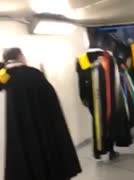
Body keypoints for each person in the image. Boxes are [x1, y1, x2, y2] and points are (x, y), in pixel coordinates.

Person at [2, 48, 81, 180]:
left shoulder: (4, 78)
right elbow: (52, 105)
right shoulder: (35, 74)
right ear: (20, 56)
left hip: (18, 134)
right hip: (43, 130)